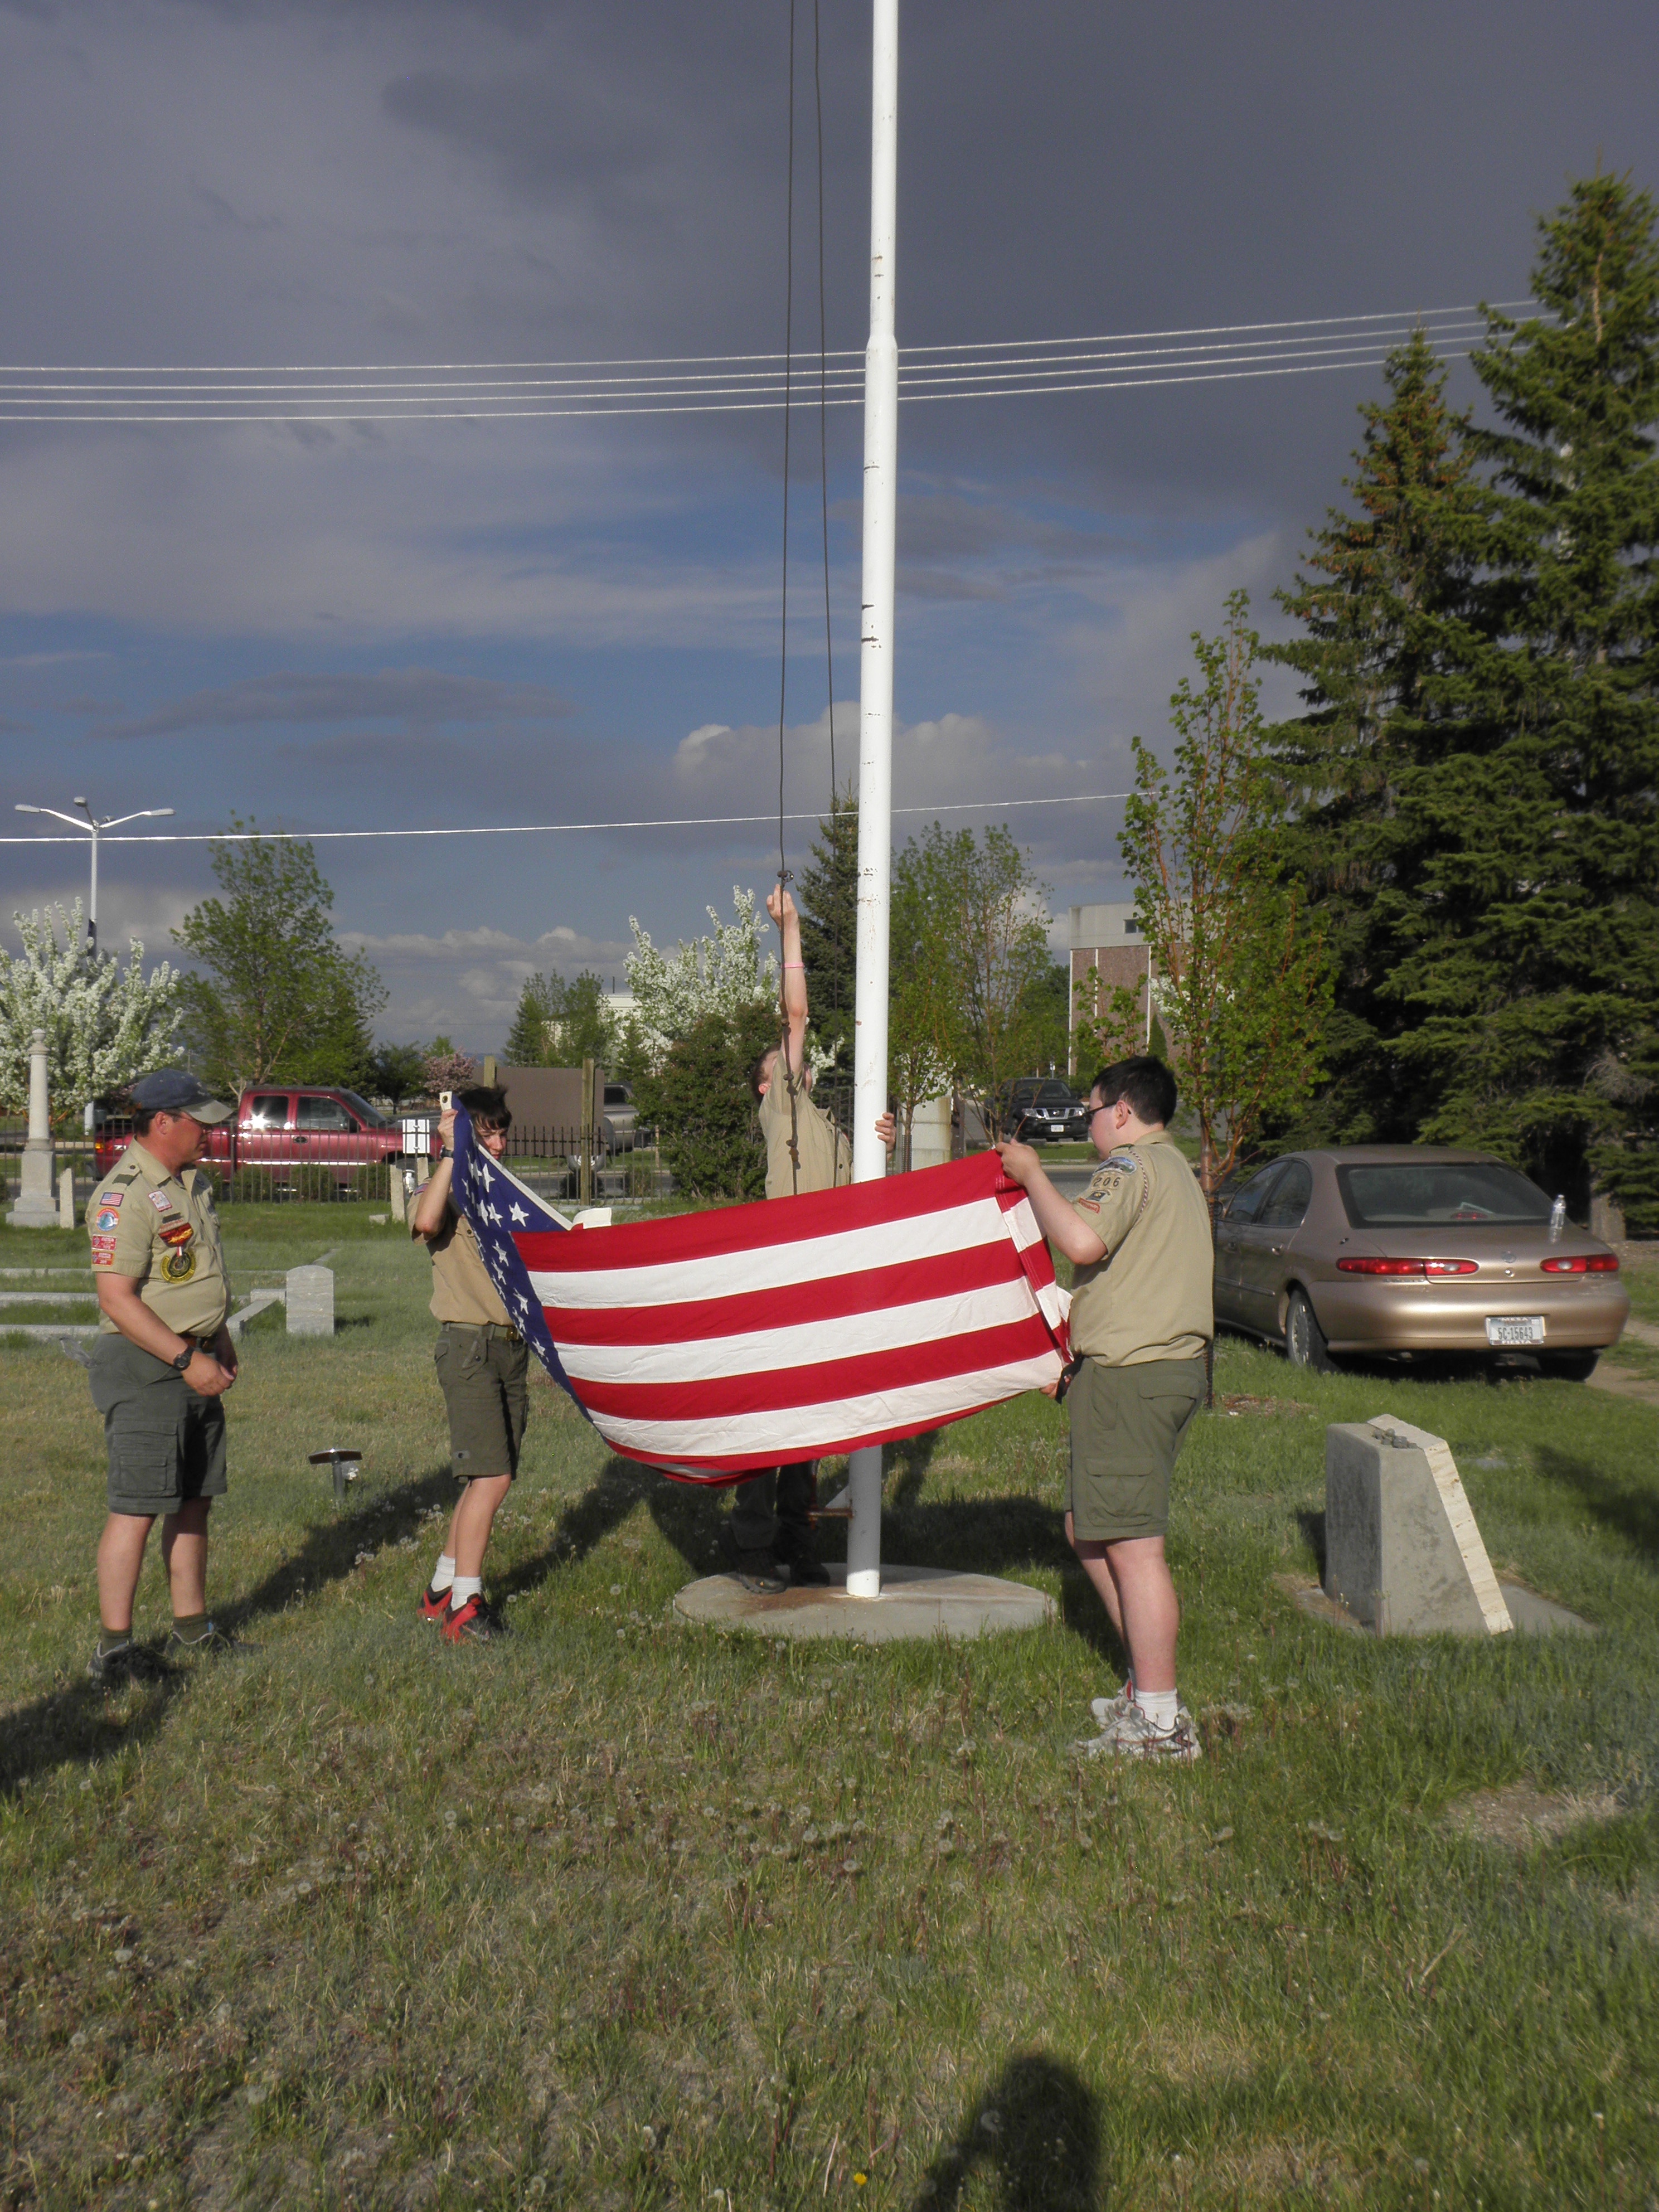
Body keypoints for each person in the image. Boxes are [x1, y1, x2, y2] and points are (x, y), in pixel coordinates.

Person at [996, 1055, 1212, 1762]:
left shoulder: (1128, 1166)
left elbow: (1083, 1239)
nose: (1088, 1123)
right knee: (1088, 1528)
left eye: (1091, 1109)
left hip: (1136, 1373)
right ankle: (1143, 1689)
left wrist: (1030, 1174)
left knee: (1133, 1546)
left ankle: (1159, 1721)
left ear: (1121, 1110)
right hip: (1154, 1368)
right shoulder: (1176, 1167)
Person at [719, 884, 896, 1588]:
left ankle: (798, 1537)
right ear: (770, 1086)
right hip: (783, 1278)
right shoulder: (781, 1112)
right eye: (780, 1066)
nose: (793, 1067)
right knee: (772, 1417)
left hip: (832, 1281)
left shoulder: (831, 1129)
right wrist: (790, 927)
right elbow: (797, 1012)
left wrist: (885, 1142)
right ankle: (755, 1545)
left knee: (814, 1421)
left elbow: (874, 1200)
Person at [84, 1068, 240, 1682]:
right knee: (137, 1507)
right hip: (148, 1364)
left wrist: (218, 1337)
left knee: (194, 1499)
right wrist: (184, 1357)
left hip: (195, 1355)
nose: (211, 1131)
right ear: (163, 1121)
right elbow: (118, 1298)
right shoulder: (122, 1193)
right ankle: (114, 1649)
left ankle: (192, 1628)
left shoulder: (191, 1185)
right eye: (200, 1120)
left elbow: (197, 1272)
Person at [411, 1085, 528, 1642]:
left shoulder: (498, 1190)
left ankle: (440, 1588)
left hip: (508, 1344)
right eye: (488, 1133)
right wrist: (451, 1151)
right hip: (469, 1345)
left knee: (487, 1472)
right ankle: (466, 1603)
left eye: (504, 1132)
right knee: (492, 1475)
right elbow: (425, 1221)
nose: (500, 1144)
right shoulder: (452, 1184)